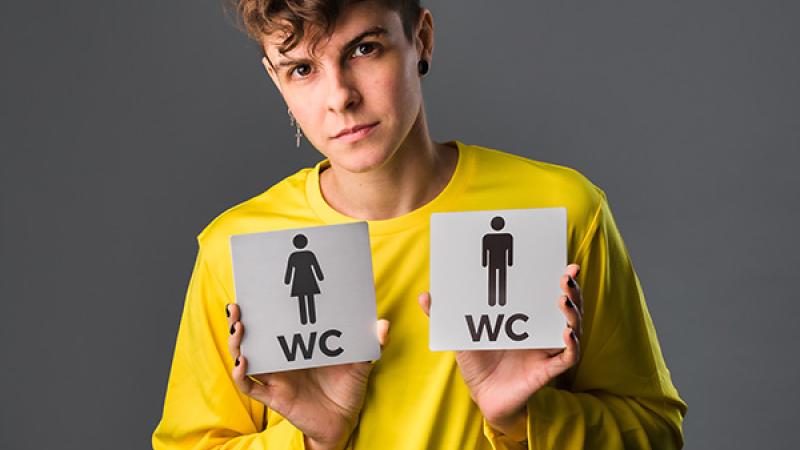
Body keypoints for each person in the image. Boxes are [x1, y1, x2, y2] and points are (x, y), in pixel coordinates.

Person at [152, 1, 687, 449]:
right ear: (275, 79)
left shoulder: (560, 208)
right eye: (302, 69)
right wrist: (310, 440)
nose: (340, 97)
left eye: (364, 49)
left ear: (421, 39)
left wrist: (525, 420)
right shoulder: (236, 246)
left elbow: (657, 432)